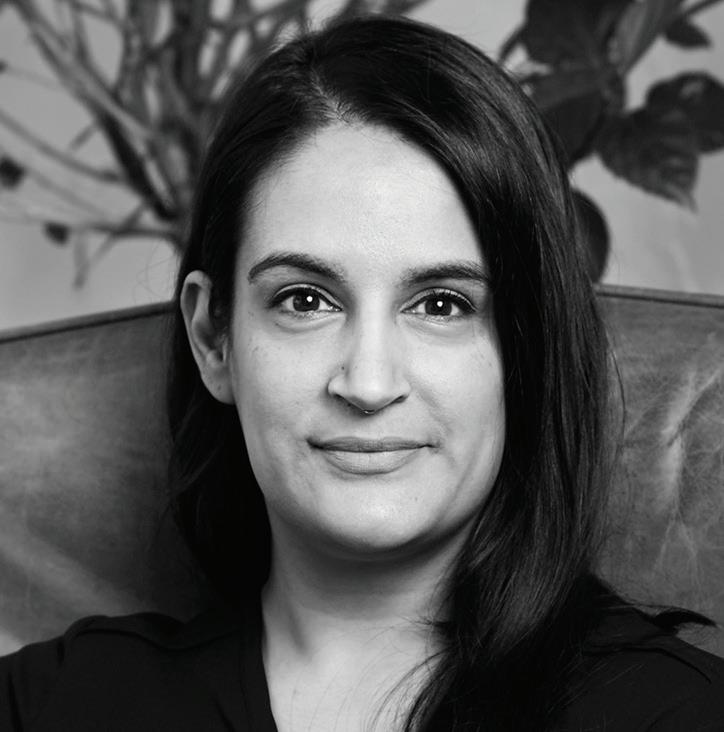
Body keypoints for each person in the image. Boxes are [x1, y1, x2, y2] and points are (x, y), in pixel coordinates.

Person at [2, 14, 723, 732]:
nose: (369, 384)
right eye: (304, 300)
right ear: (213, 337)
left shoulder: (676, 715)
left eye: (441, 305)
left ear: (529, 348)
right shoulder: (49, 704)